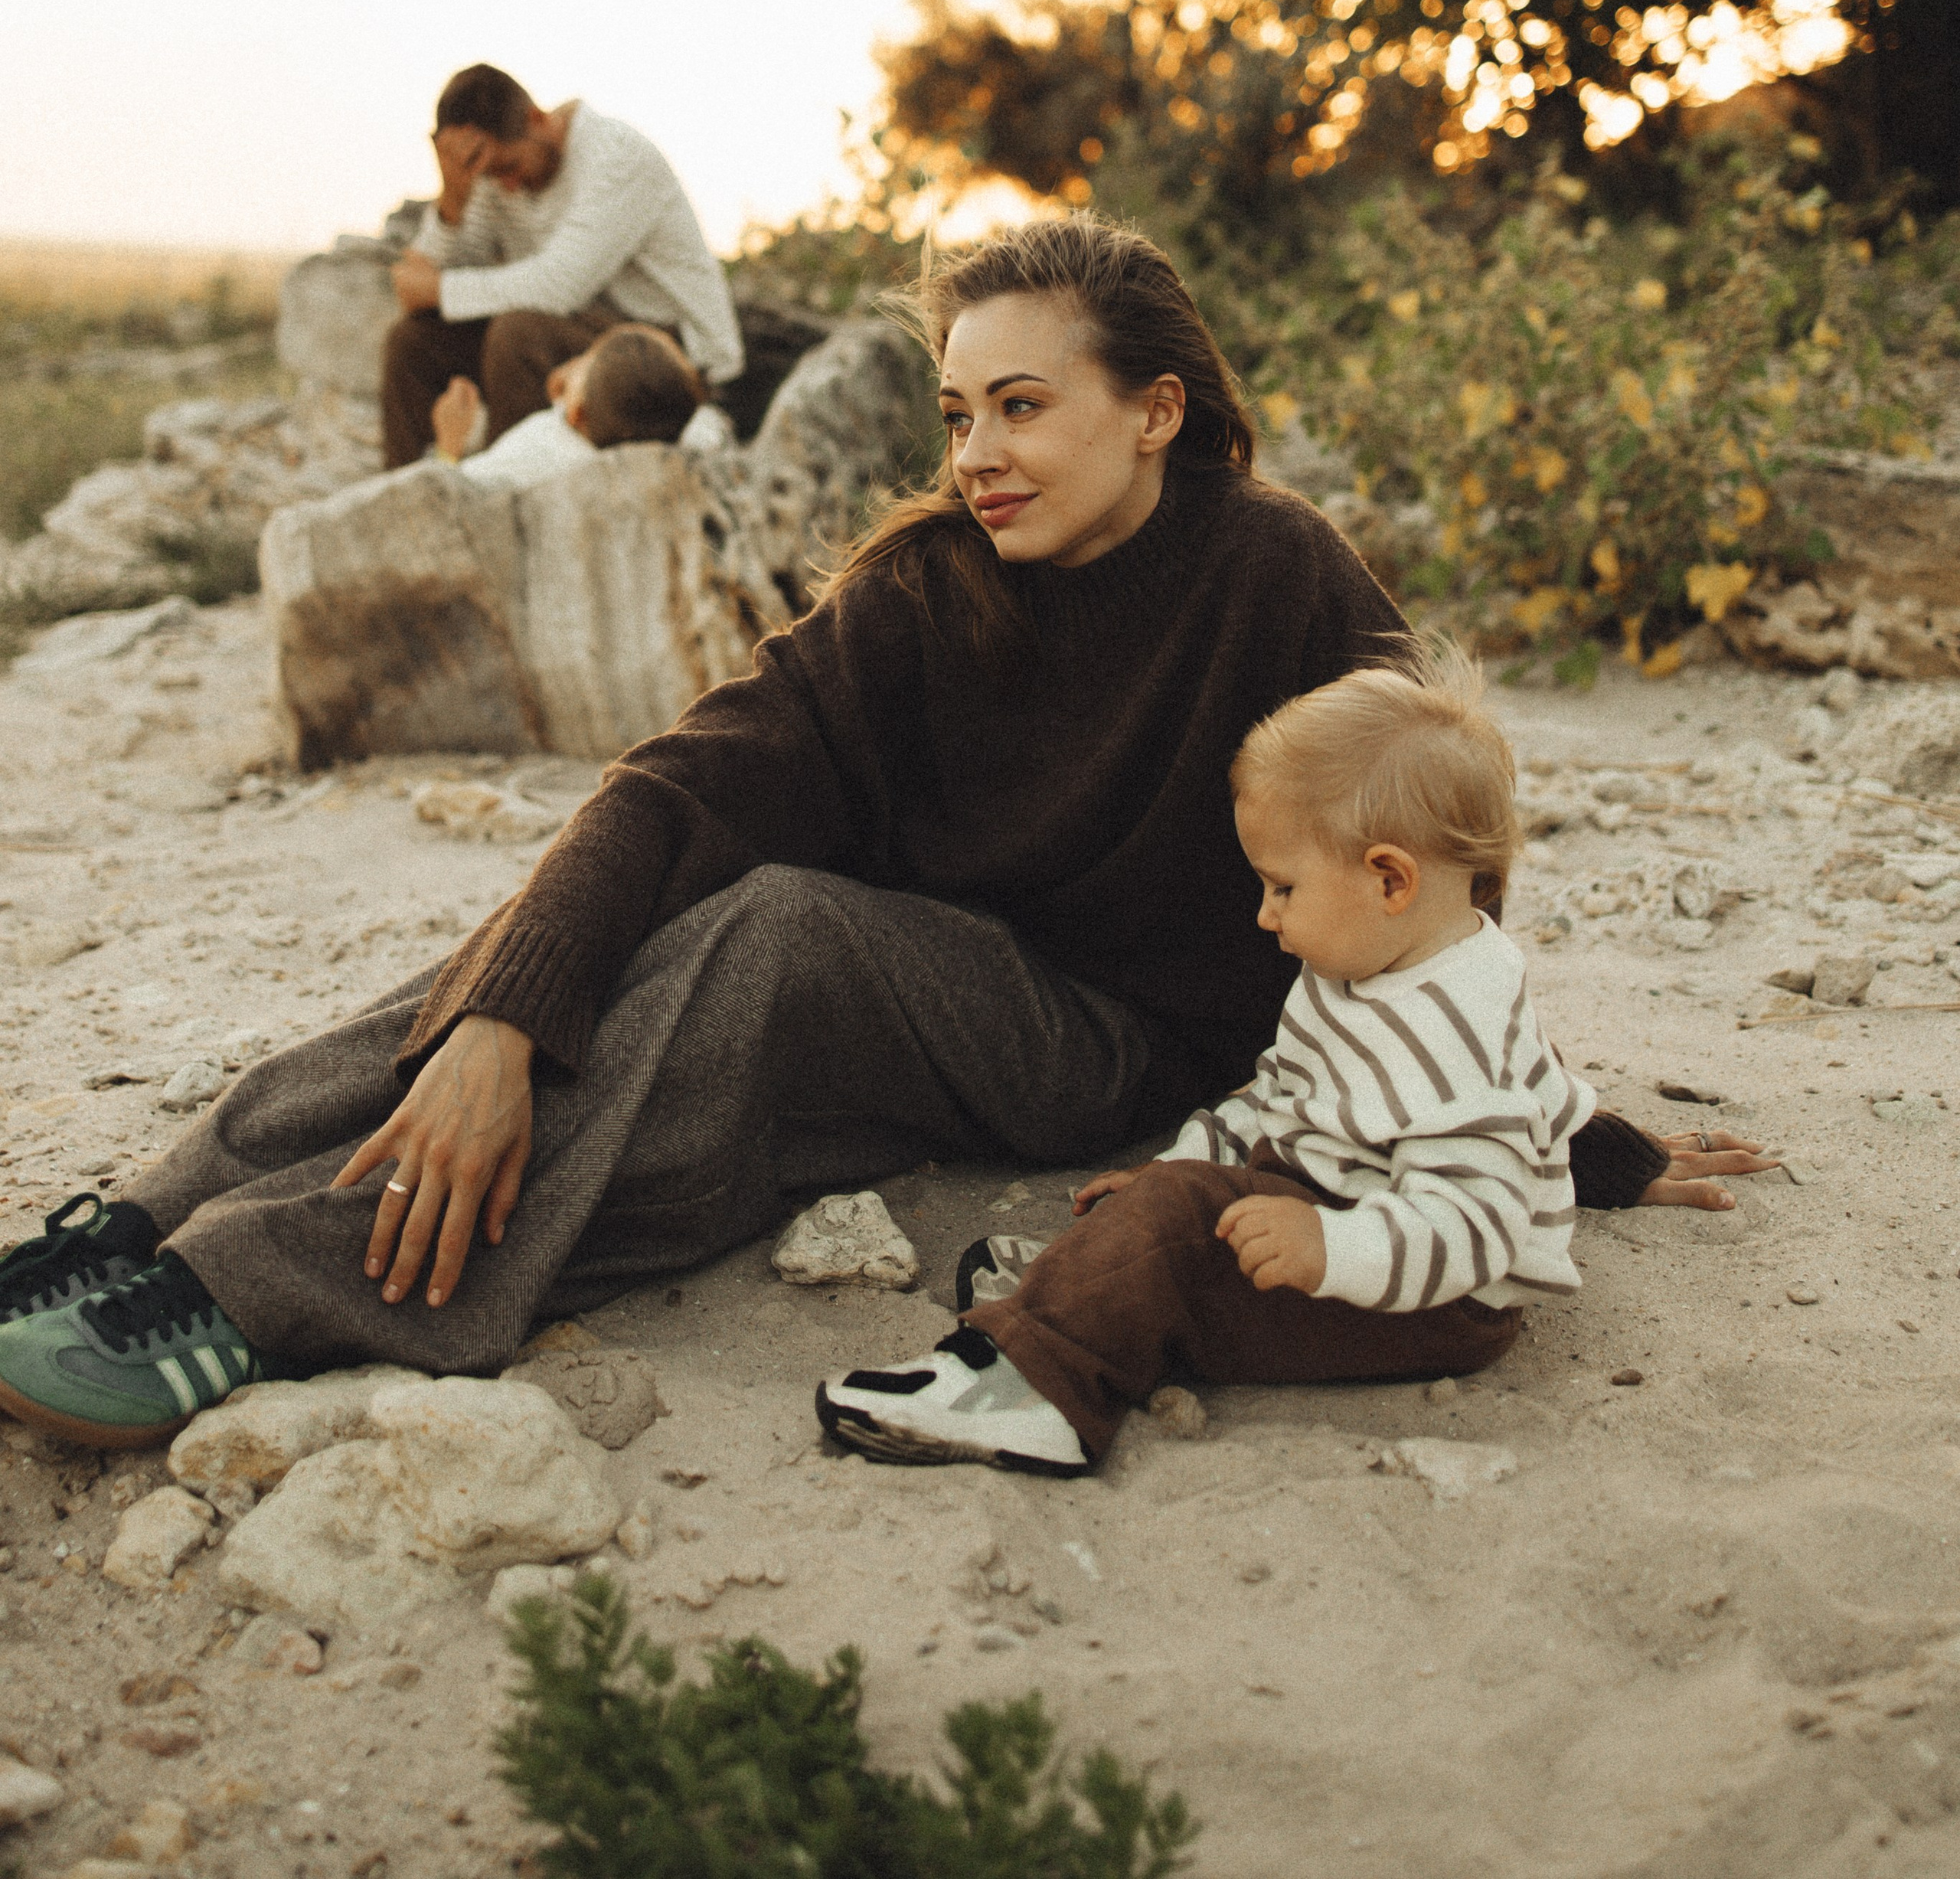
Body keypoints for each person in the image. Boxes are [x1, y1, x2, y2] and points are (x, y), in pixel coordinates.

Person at [0, 216, 1774, 1449]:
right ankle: (137, 1229)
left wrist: (1569, 1137)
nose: (978, 451)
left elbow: (1429, 886)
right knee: (593, 943)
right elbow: (677, 779)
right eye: (956, 409)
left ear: (1154, 407)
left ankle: (250, 1293)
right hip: (923, 975)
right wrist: (492, 1020)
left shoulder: (1277, 583)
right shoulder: (934, 585)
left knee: (770, 934)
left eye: (1022, 405)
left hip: (1117, 1040)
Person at [815, 644, 1619, 1475]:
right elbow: (1281, 1092)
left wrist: (1331, 1250)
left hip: (1431, 1296)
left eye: (1282, 888)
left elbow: (1479, 1224)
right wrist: (1181, 1168)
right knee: (1173, 1201)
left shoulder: (1455, 1031)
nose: (1265, 917)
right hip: (1342, 1205)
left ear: (1389, 881)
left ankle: (1037, 1385)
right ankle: (1105, 1283)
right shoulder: (1365, 965)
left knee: (1179, 1225)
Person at [381, 64, 744, 470]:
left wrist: (440, 289)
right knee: (414, 340)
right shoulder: (496, 179)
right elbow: (423, 278)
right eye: (487, 176)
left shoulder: (616, 156)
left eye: (508, 169)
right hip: (580, 329)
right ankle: (405, 495)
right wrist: (453, 196)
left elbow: (558, 286)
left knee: (518, 334)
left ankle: (506, 489)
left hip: (671, 351)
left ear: (537, 120)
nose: (505, 188)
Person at [426, 321, 721, 492]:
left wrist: (449, 445)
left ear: (577, 413)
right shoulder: (683, 439)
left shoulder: (539, 449)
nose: (572, 364)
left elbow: (447, 502)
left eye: (584, 360)